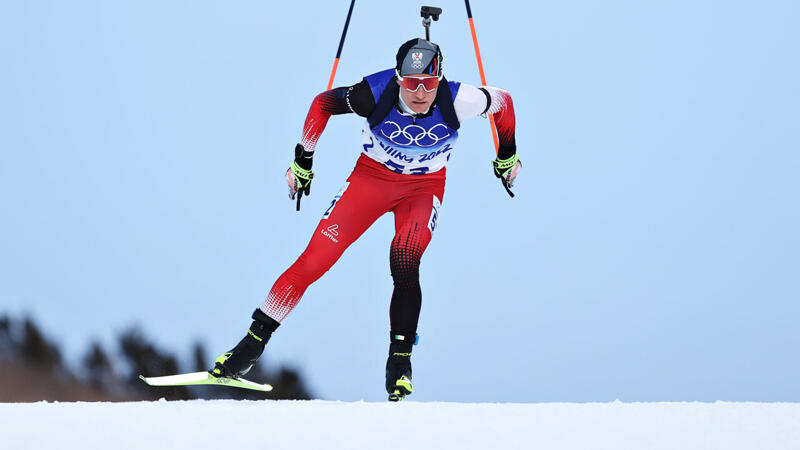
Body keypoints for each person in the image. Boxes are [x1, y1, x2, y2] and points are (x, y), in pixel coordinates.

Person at [209, 38, 520, 401]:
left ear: (440, 80)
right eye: (411, 83)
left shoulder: (457, 98)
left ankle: (399, 363)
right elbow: (322, 103)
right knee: (314, 261)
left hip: (423, 190)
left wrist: (506, 155)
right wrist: (303, 159)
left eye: (429, 84)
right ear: (398, 77)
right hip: (370, 182)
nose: (420, 93)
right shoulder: (371, 94)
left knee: (405, 258)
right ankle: (250, 346)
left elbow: (503, 101)